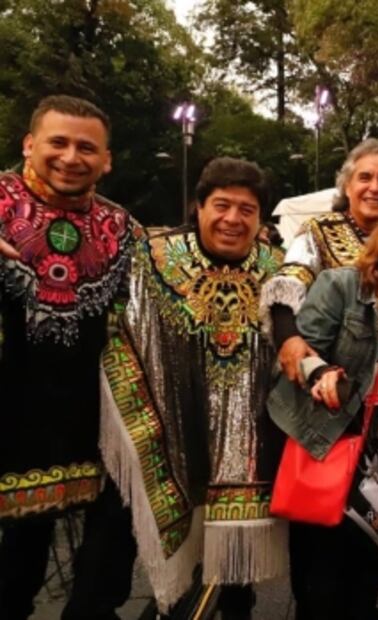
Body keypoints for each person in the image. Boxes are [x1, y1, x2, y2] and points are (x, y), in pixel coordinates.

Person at [100, 157, 287, 617]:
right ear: (198, 206)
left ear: (261, 220)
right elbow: (117, 327)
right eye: (221, 205)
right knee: (114, 569)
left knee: (237, 579)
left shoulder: (279, 270)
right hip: (172, 430)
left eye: (247, 209)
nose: (232, 219)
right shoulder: (154, 259)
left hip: (246, 448)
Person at [0, 95, 141, 620]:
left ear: (107, 160)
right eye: (58, 142)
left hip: (89, 423)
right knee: (14, 571)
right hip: (9, 415)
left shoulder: (122, 228)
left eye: (87, 147)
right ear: (30, 144)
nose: (70, 156)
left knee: (106, 561)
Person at [269, 209, 378, 619]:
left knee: (365, 562)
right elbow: (297, 354)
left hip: (364, 450)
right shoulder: (340, 284)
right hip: (317, 437)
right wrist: (321, 372)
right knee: (319, 566)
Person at [259, 137, 378, 387]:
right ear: (347, 187)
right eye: (365, 177)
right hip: (326, 378)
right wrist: (288, 338)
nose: (375, 187)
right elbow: (287, 283)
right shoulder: (319, 230)